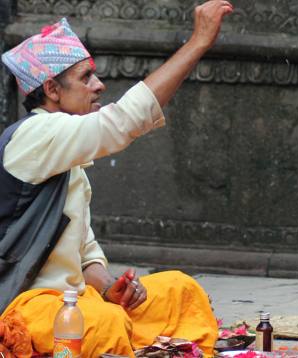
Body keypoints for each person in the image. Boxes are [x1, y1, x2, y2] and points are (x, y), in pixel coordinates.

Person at [0, 1, 233, 356]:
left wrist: (111, 287)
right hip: (27, 305)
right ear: (51, 89)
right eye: (85, 77)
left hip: (76, 302)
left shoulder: (67, 151)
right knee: (103, 322)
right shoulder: (35, 134)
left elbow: (85, 251)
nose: (99, 85)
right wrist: (196, 44)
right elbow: (122, 121)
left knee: (179, 290)